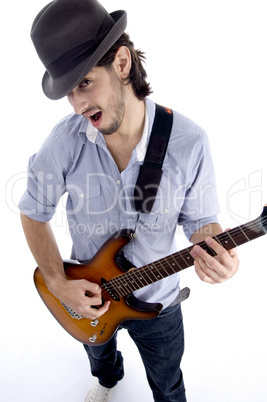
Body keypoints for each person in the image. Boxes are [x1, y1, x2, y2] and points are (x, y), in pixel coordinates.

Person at [19, 0, 239, 401]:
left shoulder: (189, 141)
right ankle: (107, 381)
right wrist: (56, 282)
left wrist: (216, 251)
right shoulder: (64, 141)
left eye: (85, 83)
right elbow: (33, 212)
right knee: (99, 360)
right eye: (69, 93)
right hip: (88, 292)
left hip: (159, 302)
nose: (79, 105)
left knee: (169, 384)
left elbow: (201, 223)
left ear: (121, 63)